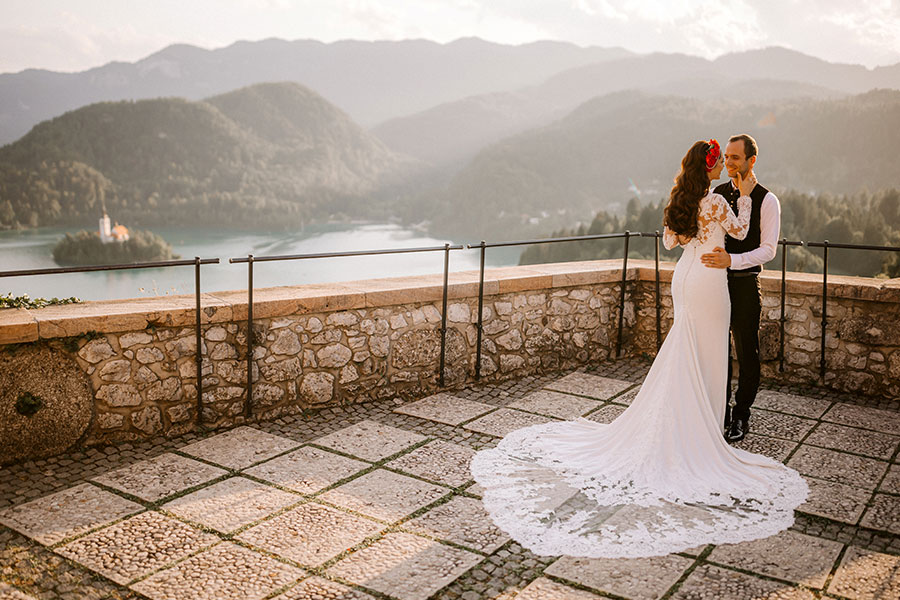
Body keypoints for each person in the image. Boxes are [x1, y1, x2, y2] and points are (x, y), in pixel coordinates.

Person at [470, 140, 808, 559]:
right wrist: (740, 196)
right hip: (709, 281)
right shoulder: (721, 201)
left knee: (685, 350)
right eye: (721, 161)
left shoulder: (685, 200)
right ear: (711, 167)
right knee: (707, 355)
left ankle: (692, 421)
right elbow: (740, 230)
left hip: (685, 276)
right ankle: (700, 431)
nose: (725, 165)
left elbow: (670, 241)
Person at [700, 134, 780, 443]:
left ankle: (741, 415)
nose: (730, 162)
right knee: (716, 351)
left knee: (748, 354)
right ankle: (718, 411)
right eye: (727, 157)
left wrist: (732, 260)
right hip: (714, 286)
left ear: (751, 161)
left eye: (736, 157)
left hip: (746, 286)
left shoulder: (767, 200)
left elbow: (768, 250)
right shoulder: (717, 193)